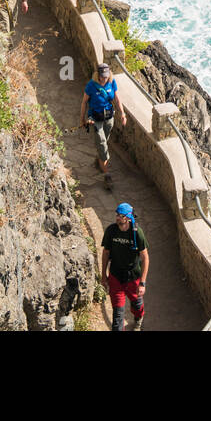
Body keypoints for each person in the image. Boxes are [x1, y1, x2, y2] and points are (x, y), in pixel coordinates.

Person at [101, 203, 149, 332]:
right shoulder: (111, 231)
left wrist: (142, 283)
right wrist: (103, 276)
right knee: (117, 314)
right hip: (116, 276)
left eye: (121, 216)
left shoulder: (137, 233)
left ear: (128, 218)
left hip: (133, 277)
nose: (117, 218)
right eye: (117, 215)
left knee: (137, 305)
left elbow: (145, 257)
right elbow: (106, 253)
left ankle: (138, 320)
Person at [80, 63, 127, 188]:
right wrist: (82, 119)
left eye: (106, 76)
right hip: (96, 119)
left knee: (104, 142)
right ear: (98, 75)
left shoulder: (112, 82)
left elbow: (117, 99)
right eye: (102, 76)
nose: (104, 78)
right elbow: (84, 102)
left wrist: (122, 114)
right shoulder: (91, 86)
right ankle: (107, 176)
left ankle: (99, 161)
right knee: (102, 144)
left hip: (109, 118)